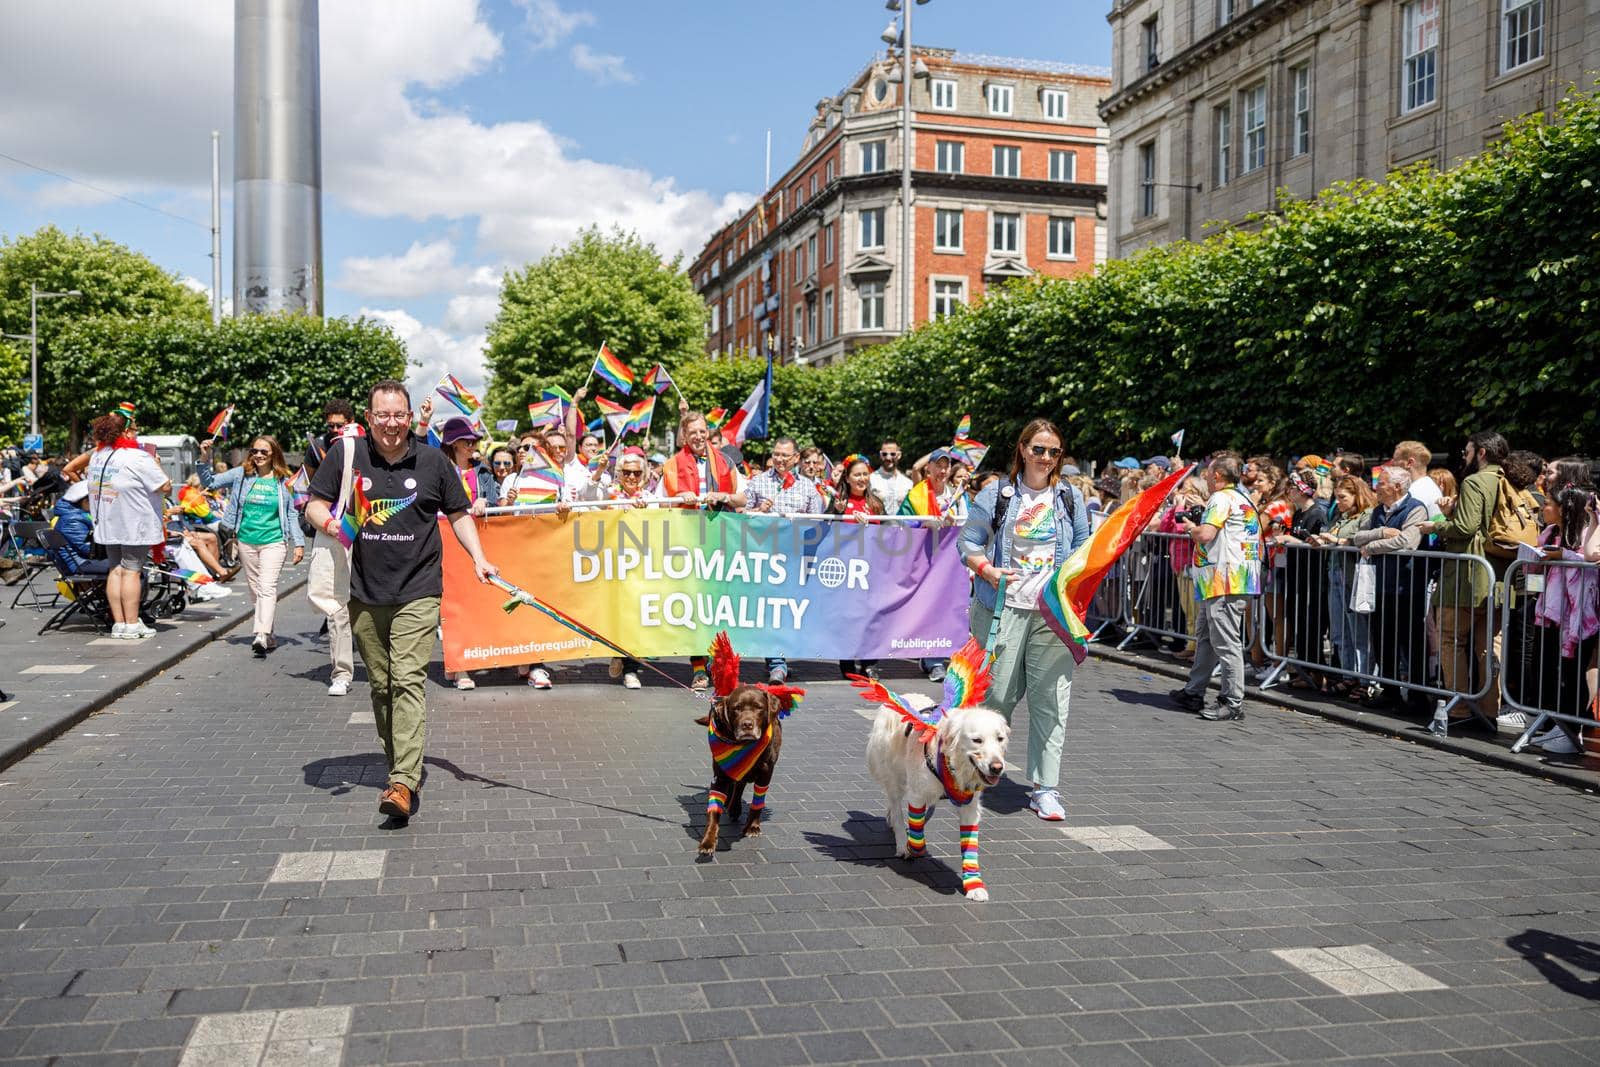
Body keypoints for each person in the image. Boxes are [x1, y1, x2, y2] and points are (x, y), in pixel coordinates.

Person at [303, 379, 498, 823]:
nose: (391, 424)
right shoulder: (347, 456)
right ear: (368, 418)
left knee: (408, 679)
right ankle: (400, 763)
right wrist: (331, 525)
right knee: (381, 685)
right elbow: (314, 504)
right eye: (382, 416)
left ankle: (403, 781)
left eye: (399, 416)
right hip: (365, 592)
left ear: (409, 418)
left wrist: (480, 559)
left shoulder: (432, 461)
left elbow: (459, 514)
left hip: (419, 590)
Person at [960, 418, 1090, 820]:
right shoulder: (996, 494)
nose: (1046, 458)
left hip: (1052, 613)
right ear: (1022, 449)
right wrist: (987, 570)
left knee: (1051, 701)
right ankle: (978, 768)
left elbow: (1085, 547)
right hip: (1002, 608)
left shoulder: (1070, 497)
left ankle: (1045, 788)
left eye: (1054, 452)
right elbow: (969, 542)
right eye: (1038, 449)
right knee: (995, 698)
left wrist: (1074, 583)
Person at [1169, 452, 1262, 720]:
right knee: (1208, 638)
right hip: (1231, 579)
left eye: (1209, 475)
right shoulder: (1243, 498)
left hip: (1225, 580)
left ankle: (1232, 701)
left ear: (1218, 476)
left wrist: (1190, 527)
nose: (1207, 479)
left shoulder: (1221, 498)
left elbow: (1206, 533)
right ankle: (1194, 691)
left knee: (1226, 642)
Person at [663, 409, 748, 689]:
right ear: (684, 436)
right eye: (692, 433)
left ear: (708, 432)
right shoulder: (672, 465)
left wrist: (722, 495)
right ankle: (698, 666)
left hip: (719, 538)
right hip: (687, 539)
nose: (698, 437)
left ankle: (718, 663)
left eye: (702, 431)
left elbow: (742, 499)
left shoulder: (725, 461)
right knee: (694, 602)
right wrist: (678, 497)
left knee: (718, 603)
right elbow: (661, 503)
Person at [199, 435, 305, 656]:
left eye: (263, 452)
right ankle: (270, 633)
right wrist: (204, 457)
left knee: (267, 587)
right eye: (254, 451)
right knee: (256, 590)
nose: (258, 455)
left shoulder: (283, 479)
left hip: (274, 541)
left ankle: (261, 635)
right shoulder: (241, 474)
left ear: (273, 454)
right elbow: (210, 482)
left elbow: (292, 513)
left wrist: (299, 543)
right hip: (246, 540)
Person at [1430, 431, 1508, 730]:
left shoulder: (1476, 481)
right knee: (1490, 643)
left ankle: (1459, 708)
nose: (1465, 456)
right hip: (1498, 572)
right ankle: (1491, 708)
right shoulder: (1508, 479)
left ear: (1482, 453)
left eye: (1468, 451)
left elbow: (1465, 526)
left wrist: (1436, 525)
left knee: (1452, 640)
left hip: (1468, 576)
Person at [1343, 466, 1431, 711]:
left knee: (1410, 641)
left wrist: (1372, 546)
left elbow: (1407, 541)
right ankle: (1389, 690)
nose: (1376, 487)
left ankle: (1417, 695)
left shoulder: (1415, 508)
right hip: (1380, 584)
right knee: (1382, 639)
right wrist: (1380, 533)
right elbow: (1357, 537)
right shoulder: (1378, 511)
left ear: (1397, 487)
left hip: (1406, 584)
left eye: (1381, 483)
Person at [85, 406, 170, 639]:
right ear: (127, 433)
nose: (136, 433)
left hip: (108, 522)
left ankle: (120, 624)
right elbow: (164, 486)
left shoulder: (98, 456)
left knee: (115, 569)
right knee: (132, 571)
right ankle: (132, 624)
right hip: (134, 523)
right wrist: (156, 462)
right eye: (134, 429)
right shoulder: (138, 456)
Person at [744, 436, 824, 684]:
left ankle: (783, 655)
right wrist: (759, 512)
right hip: (766, 558)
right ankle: (776, 662)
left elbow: (818, 520)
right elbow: (740, 518)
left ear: (795, 458)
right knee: (772, 610)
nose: (779, 459)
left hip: (795, 557)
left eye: (784, 455)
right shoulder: (758, 482)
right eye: (776, 454)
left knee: (790, 611)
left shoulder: (807, 488)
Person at [305, 399, 360, 697]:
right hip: (339, 532)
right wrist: (328, 523)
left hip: (373, 535)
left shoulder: (365, 446)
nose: (336, 430)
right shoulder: (325, 448)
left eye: (341, 424)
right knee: (337, 604)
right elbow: (314, 493)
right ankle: (341, 672)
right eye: (331, 426)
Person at [436, 416, 493, 690]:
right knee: (453, 606)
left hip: (477, 545)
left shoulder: (482, 471)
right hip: (445, 543)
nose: (472, 446)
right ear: (453, 444)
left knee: (473, 606)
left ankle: (464, 660)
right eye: (467, 441)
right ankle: (460, 668)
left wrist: (486, 501)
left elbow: (494, 498)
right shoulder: (439, 469)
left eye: (474, 441)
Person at [1310, 475, 1377, 698]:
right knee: (1340, 631)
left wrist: (1336, 541)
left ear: (1357, 495)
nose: (1338, 502)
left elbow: (1358, 539)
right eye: (1336, 497)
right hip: (1336, 573)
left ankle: (1364, 678)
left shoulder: (1367, 515)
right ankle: (1348, 675)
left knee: (1358, 630)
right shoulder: (1342, 516)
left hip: (1353, 575)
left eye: (1343, 497)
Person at [1272, 468, 1330, 689]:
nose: (1289, 492)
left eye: (1293, 488)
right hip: (1296, 575)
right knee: (1298, 623)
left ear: (1303, 490)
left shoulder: (1317, 513)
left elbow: (1319, 544)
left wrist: (1289, 539)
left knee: (1312, 626)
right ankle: (1304, 670)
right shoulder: (1297, 513)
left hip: (1312, 578)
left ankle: (1317, 673)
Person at [47, 480, 111, 578]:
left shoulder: (81, 515)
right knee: (130, 569)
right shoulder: (71, 520)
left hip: (87, 560)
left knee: (133, 565)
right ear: (85, 501)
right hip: (80, 563)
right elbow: (88, 548)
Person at [1389, 441, 1443, 515]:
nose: (1391, 463)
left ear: (1409, 463)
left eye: (1395, 460)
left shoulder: (1414, 493)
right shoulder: (1428, 485)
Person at [869, 439, 913, 516]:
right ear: (880, 455)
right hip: (877, 527)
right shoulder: (870, 479)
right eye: (885, 454)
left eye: (892, 454)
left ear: (899, 455)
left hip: (902, 527)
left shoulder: (908, 483)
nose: (888, 458)